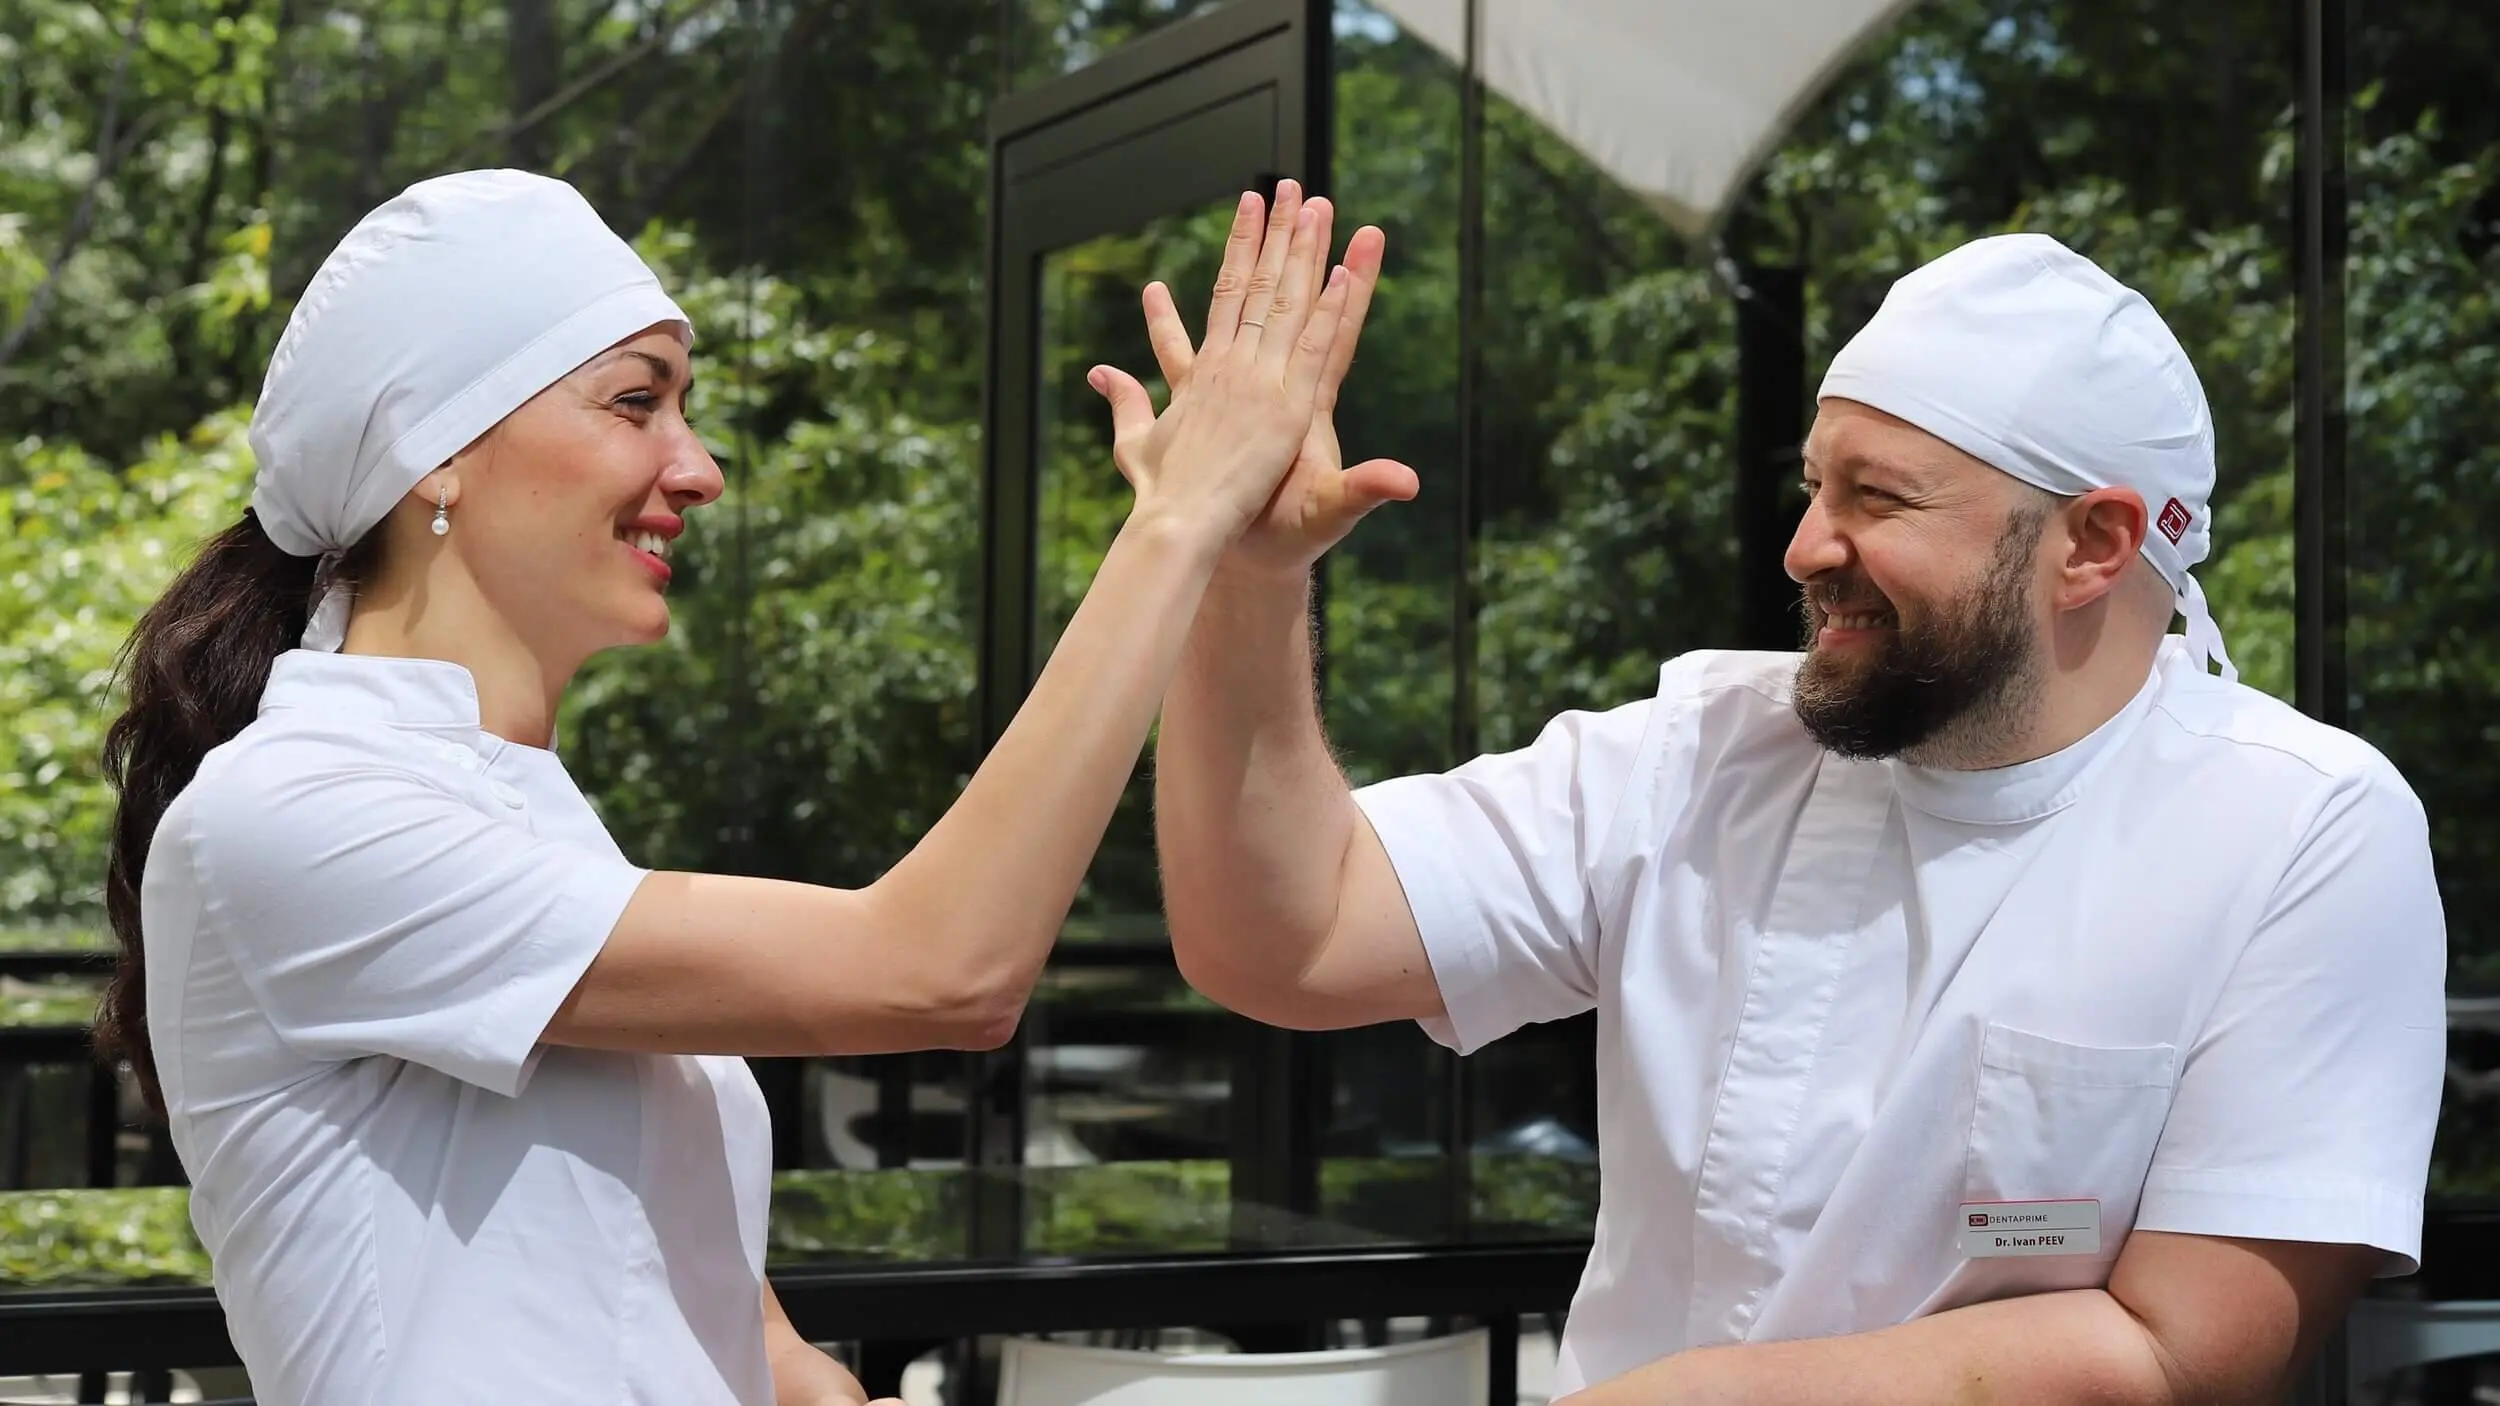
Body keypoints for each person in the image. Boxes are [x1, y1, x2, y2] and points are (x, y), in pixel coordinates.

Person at [95, 168, 1380, 1406]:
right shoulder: (290, 812)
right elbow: (944, 964)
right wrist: (1174, 528)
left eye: (683, 406)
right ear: (435, 448)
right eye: (634, 402)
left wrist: (804, 1377)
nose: (698, 466)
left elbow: (654, 1278)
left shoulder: (517, 813)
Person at [1138, 232, 2447, 1402]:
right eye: (1815, 487)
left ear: (2094, 543)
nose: (1806, 545)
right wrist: (1244, 579)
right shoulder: (1703, 749)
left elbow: (2185, 1349)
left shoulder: (2302, 831)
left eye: (1876, 498)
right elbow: (1282, 940)